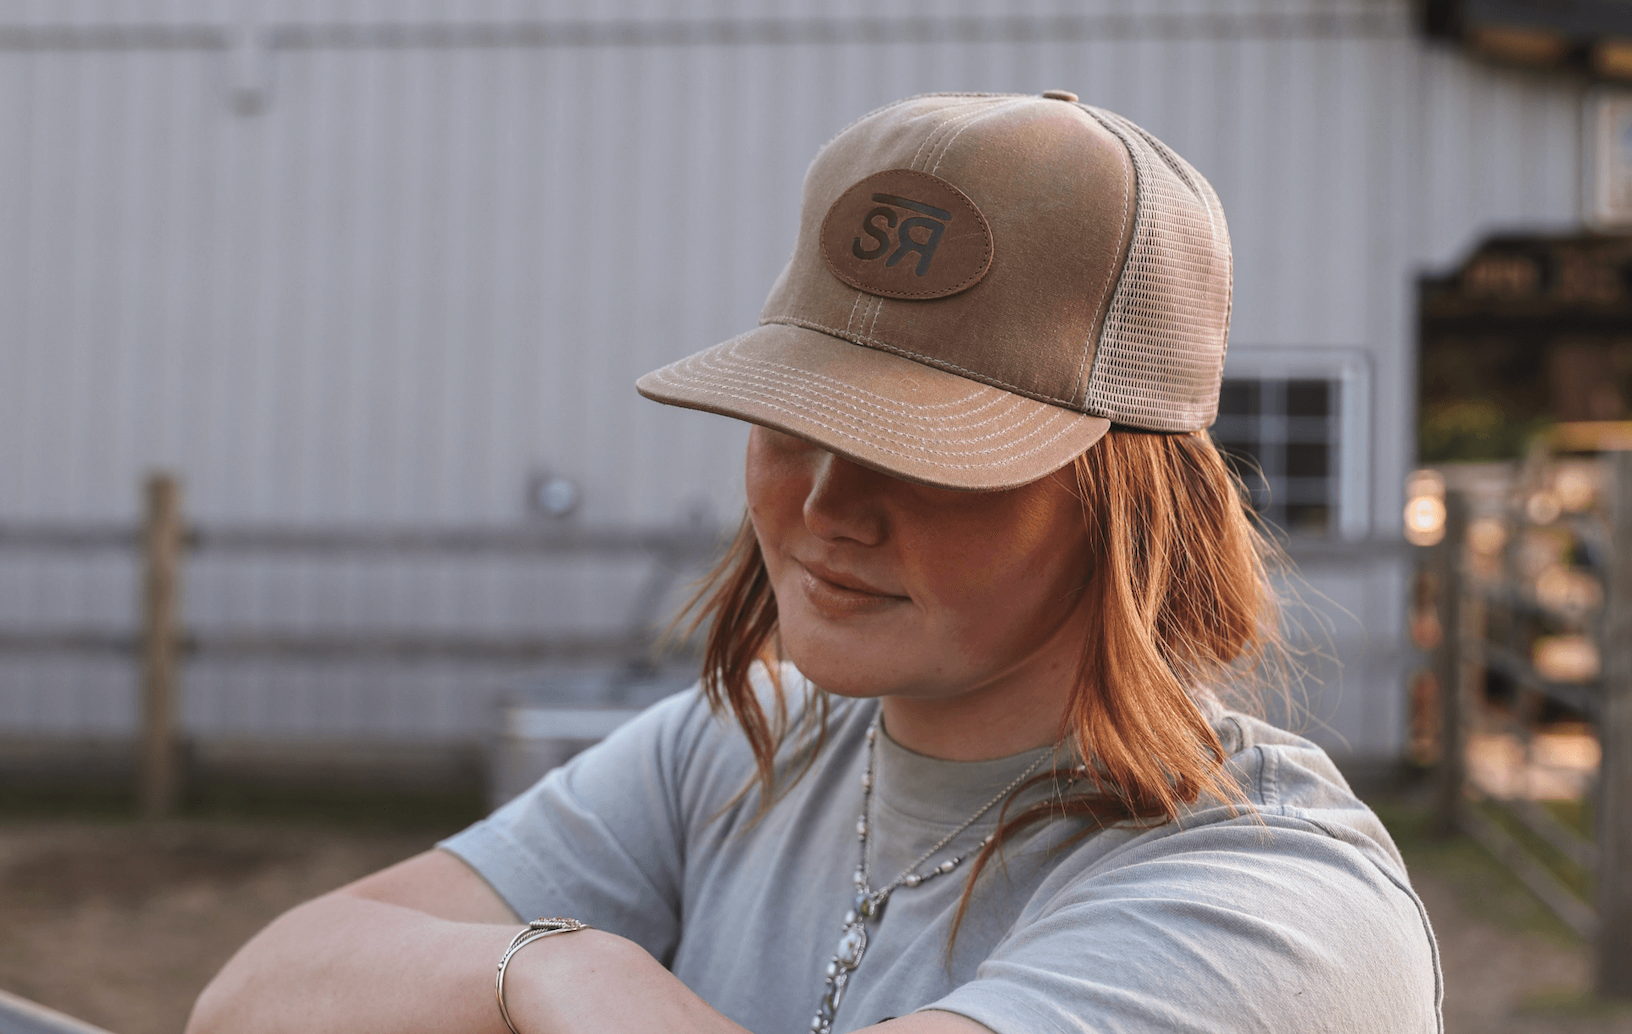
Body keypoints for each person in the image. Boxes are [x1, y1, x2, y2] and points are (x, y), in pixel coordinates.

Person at [187, 91, 1441, 1034]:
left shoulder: (1276, 905)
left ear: (1127, 504)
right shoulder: (739, 747)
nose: (829, 505)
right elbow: (250, 994)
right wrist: (568, 965)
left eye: (927, 450)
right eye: (796, 425)